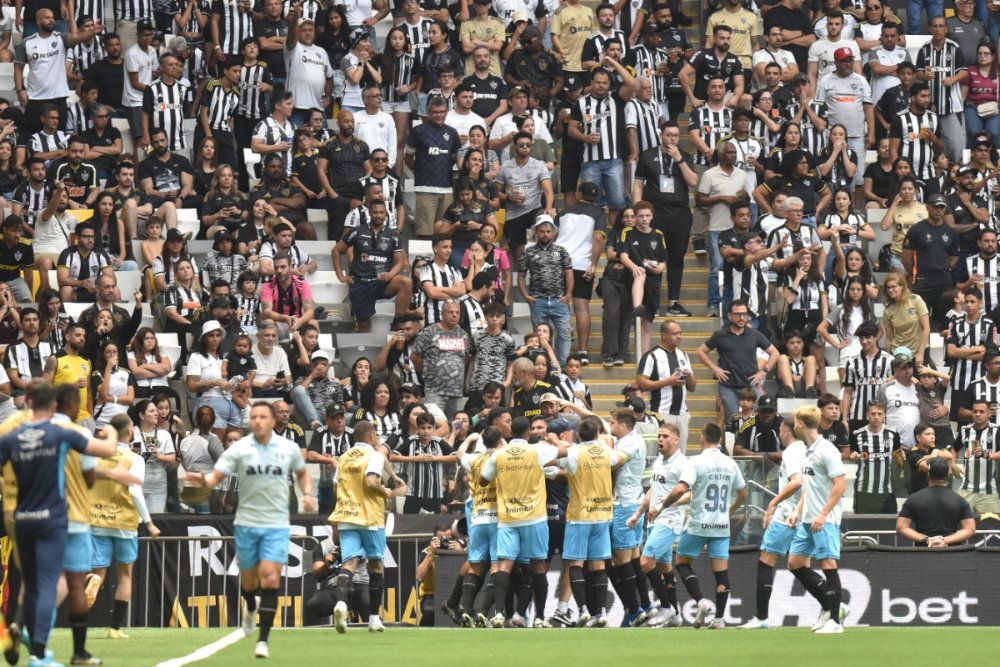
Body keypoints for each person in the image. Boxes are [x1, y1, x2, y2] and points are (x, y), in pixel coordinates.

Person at [0, 381, 120, 665]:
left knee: (29, 585)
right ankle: (39, 656)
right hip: (51, 520)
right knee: (47, 585)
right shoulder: (61, 433)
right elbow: (105, 449)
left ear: (27, 401)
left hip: (22, 519)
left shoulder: (11, 437)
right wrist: (113, 431)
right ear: (54, 405)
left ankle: (29, 639)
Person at [186, 402, 315, 658]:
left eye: (262, 417)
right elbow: (216, 476)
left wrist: (308, 494)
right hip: (246, 523)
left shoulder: (287, 447)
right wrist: (203, 480)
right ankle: (249, 607)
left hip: (276, 524)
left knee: (270, 577)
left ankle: (263, 640)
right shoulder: (240, 449)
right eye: (253, 417)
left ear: (272, 420)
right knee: (249, 581)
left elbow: (302, 473)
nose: (257, 421)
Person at [479, 416, 568, 628]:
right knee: (538, 565)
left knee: (504, 565)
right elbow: (565, 452)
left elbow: (483, 480)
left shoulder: (499, 455)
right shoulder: (537, 451)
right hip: (534, 518)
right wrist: (553, 441)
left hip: (508, 518)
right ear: (529, 433)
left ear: (510, 433)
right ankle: (539, 617)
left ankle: (499, 614)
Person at [656, 422, 746, 629]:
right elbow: (743, 493)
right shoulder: (730, 463)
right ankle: (719, 620)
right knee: (721, 573)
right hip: (721, 525)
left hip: (698, 524)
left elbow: (681, 488)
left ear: (702, 438)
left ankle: (701, 601)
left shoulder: (694, 462)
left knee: (682, 563)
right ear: (720, 440)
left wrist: (663, 505)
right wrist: (731, 510)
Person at [329, 420, 407, 633]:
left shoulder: (344, 458)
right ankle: (373, 618)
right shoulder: (374, 456)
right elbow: (372, 481)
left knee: (350, 563)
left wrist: (392, 475)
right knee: (375, 564)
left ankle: (341, 603)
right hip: (370, 517)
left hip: (346, 516)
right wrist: (388, 492)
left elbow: (336, 489)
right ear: (373, 437)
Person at [786, 405, 849, 634]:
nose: (794, 425)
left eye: (795, 421)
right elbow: (808, 487)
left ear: (801, 424)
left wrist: (823, 514)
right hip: (807, 518)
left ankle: (835, 621)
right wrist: (798, 511)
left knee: (828, 565)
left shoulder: (827, 450)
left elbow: (840, 485)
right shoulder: (806, 450)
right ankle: (831, 607)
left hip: (825, 519)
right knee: (794, 563)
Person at [741, 419, 806, 629]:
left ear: (787, 432)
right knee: (801, 565)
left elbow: (797, 481)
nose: (779, 434)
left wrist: (773, 503)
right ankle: (833, 605)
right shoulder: (808, 450)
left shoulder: (792, 452)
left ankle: (761, 618)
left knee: (767, 558)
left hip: (788, 514)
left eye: (780, 430)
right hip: (805, 514)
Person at [696, 300, 780, 424]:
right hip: (728, 386)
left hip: (751, 384)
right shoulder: (720, 335)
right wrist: (715, 369)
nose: (742, 318)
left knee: (758, 421)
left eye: (744, 314)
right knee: (732, 423)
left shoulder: (754, 334)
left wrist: (764, 371)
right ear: (729, 316)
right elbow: (700, 351)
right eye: (738, 314)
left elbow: (775, 353)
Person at [518, 215, 573, 367]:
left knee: (564, 333)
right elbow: (521, 276)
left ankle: (561, 366)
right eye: (542, 231)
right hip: (538, 300)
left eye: (548, 231)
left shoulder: (562, 251)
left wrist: (568, 295)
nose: (545, 234)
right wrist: (525, 295)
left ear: (553, 232)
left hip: (559, 299)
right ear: (536, 232)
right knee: (540, 337)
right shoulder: (528, 252)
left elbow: (569, 273)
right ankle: (544, 365)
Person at [637, 320, 696, 452]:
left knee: (681, 454)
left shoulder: (683, 355)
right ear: (664, 335)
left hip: (682, 414)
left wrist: (689, 376)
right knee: (661, 453)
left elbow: (692, 387)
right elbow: (641, 383)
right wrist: (667, 381)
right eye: (674, 333)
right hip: (661, 414)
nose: (679, 336)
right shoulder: (651, 356)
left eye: (680, 333)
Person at [405, 96, 460, 239]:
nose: (438, 115)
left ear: (447, 112)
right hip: (425, 188)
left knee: (444, 233)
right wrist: (419, 172)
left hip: (447, 188)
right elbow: (408, 157)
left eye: (442, 112)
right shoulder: (418, 131)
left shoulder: (452, 133)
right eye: (435, 112)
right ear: (428, 112)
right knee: (425, 233)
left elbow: (455, 157)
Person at [915, 16, 968, 164]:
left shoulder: (954, 48)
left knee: (957, 146)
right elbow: (917, 72)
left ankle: (957, 177)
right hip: (927, 109)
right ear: (930, 28)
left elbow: (964, 71)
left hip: (951, 107)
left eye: (941, 26)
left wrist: (953, 79)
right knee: (925, 143)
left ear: (946, 29)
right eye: (935, 26)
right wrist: (923, 75)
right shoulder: (924, 49)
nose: (938, 29)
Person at [412, 301, 472, 419]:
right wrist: (427, 372)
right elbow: (414, 356)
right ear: (442, 313)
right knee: (433, 424)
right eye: (450, 312)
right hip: (435, 391)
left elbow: (466, 358)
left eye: (457, 312)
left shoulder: (463, 334)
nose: (454, 315)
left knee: (455, 426)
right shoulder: (429, 332)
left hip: (456, 392)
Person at [897, 458, 977, 546]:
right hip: (953, 552)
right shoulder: (960, 500)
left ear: (928, 474)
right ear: (947, 475)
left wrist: (928, 540)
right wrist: (944, 540)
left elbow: (901, 527)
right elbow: (970, 529)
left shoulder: (913, 499)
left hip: (922, 553)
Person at [952, 398, 1000, 514]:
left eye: (981, 411)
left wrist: (987, 454)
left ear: (989, 413)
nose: (977, 414)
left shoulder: (997, 430)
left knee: (991, 527)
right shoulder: (965, 430)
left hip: (989, 491)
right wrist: (952, 464)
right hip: (966, 489)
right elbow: (954, 448)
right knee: (957, 522)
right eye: (975, 411)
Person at [0, 214, 35, 302]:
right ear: (4, 230)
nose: (18, 235)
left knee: (27, 301)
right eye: (14, 231)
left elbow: (28, 274)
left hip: (15, 280)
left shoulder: (26, 245)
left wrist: (29, 294)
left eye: (20, 231)